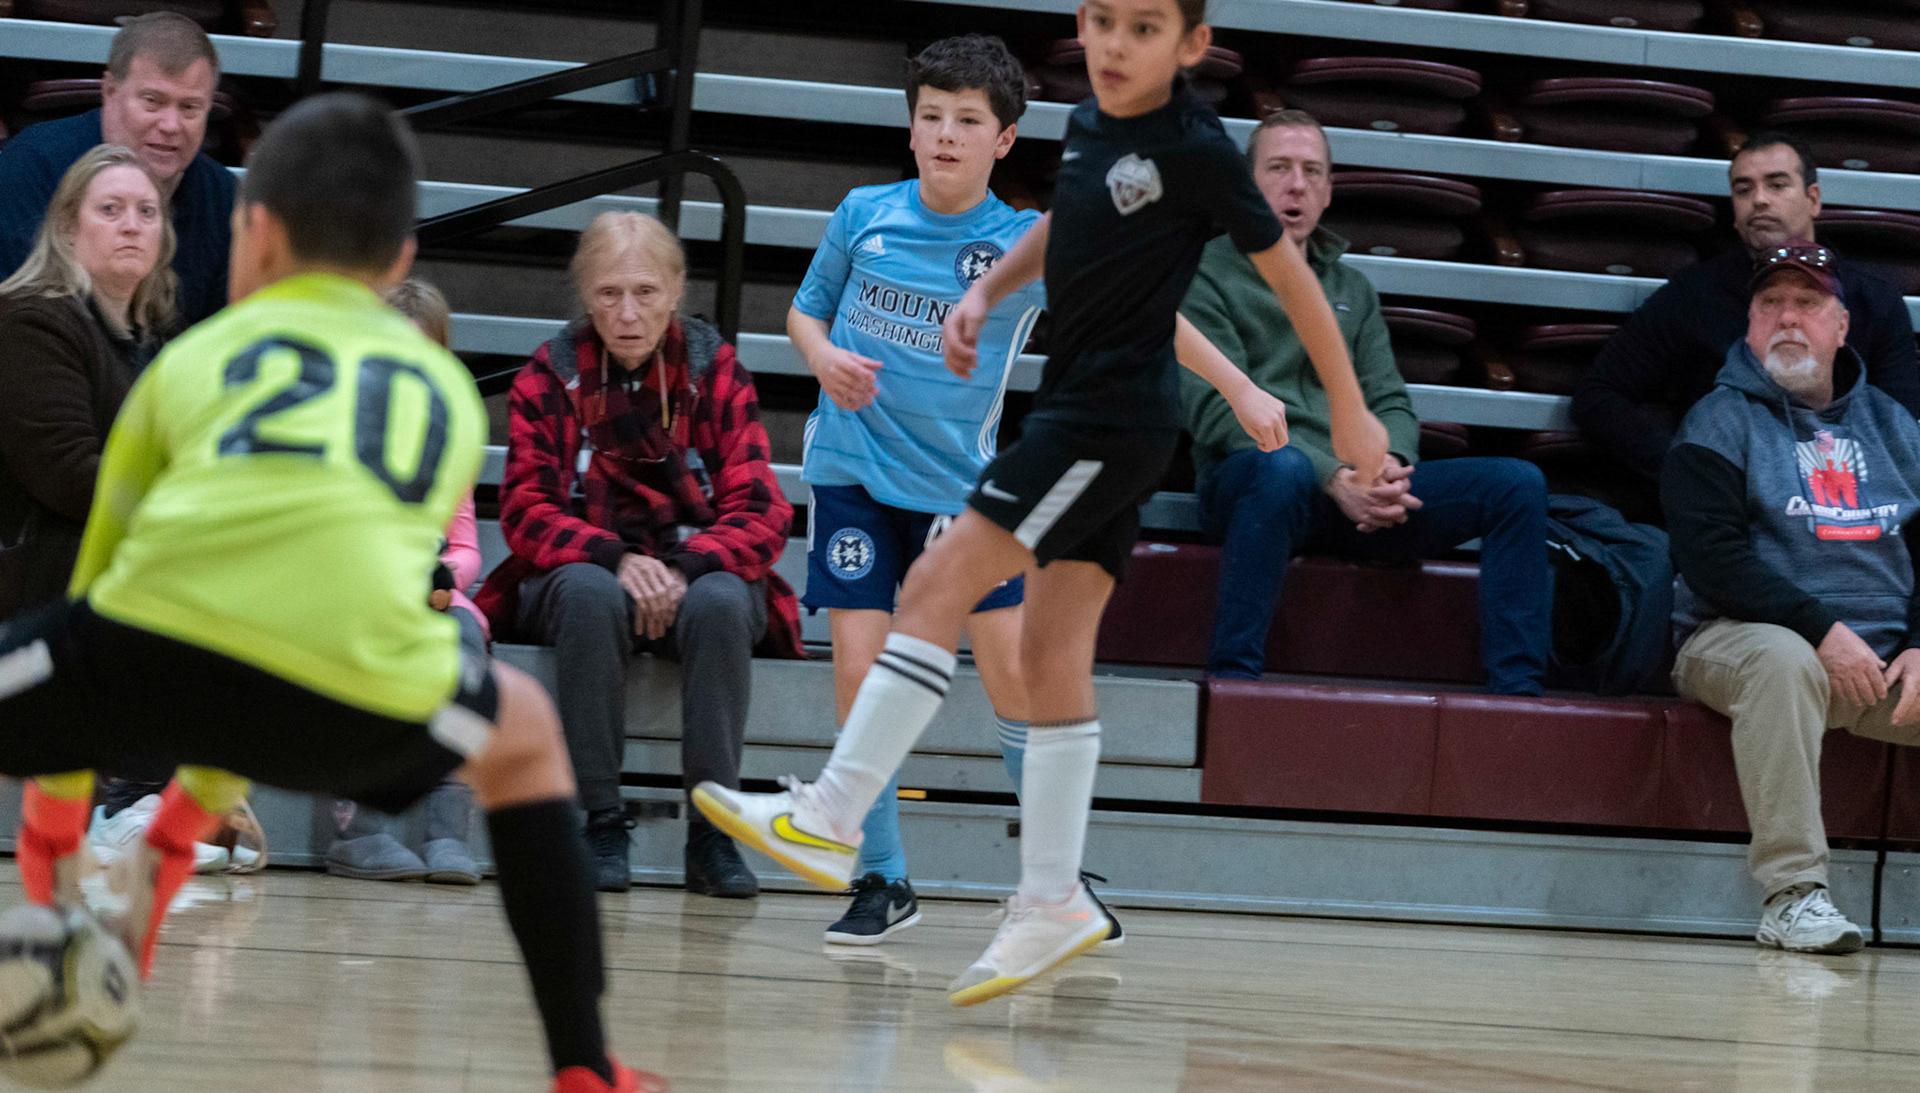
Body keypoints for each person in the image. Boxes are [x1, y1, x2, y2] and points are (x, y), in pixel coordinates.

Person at [691, 0, 1386, 1005]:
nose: (1114, 43)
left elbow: (1293, 282)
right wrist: (983, 293)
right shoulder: (1101, 125)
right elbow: (1068, 231)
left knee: (937, 589)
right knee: (1054, 656)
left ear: (1193, 46)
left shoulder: (1194, 149)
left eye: (1142, 27)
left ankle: (836, 814)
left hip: (1103, 422)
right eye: (1101, 20)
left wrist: (1337, 408)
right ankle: (1053, 896)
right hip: (1082, 420)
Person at [0, 93, 660, 1093]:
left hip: (145, 665)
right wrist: (180, 828)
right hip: (353, 701)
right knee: (524, 726)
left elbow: (107, 570)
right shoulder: (443, 394)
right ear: (402, 260)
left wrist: (54, 806)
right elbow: (310, 606)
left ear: (255, 232)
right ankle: (584, 1065)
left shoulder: (193, 358)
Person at [792, 34, 1125, 949]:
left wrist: (1243, 389)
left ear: (1004, 139)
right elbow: (806, 310)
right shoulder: (863, 213)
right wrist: (821, 356)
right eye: (930, 116)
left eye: (967, 120)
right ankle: (881, 875)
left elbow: (1139, 314)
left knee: (1012, 675)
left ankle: (1057, 884)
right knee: (858, 672)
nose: (945, 133)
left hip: (959, 494)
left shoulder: (1020, 243)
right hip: (852, 472)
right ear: (910, 127)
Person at [475, 212, 801, 898]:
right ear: (586, 296)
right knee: (589, 593)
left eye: (646, 292)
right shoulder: (548, 375)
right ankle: (597, 819)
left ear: (676, 292)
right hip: (587, 571)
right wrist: (615, 556)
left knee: (721, 601)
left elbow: (762, 510)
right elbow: (526, 510)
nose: (628, 313)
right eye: (610, 293)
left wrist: (685, 566)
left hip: (694, 566)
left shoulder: (716, 370)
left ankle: (713, 832)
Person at [1180, 110, 1551, 692]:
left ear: (1328, 191)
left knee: (1516, 484)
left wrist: (1385, 470)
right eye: (1278, 168)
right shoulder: (1201, 274)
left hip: (1355, 494)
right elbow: (1220, 411)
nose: (1296, 185)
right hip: (1255, 486)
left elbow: (1389, 400)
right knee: (1283, 468)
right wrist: (1334, 477)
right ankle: (1233, 682)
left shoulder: (1351, 288)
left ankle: (1519, 694)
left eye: (1312, 171)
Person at [1665, 241, 1920, 956]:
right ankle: (1793, 895)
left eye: (1807, 303)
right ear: (1749, 326)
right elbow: (1712, 562)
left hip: (1880, 663)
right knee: (1784, 659)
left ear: (1841, 327)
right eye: (1770, 304)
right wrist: (1822, 630)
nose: (1786, 318)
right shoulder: (1717, 419)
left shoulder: (1897, 427)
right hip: (1738, 640)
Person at [0, 143, 244, 874]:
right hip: (37, 557)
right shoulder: (31, 321)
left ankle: (167, 797)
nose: (132, 224)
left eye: (146, 211)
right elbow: (68, 474)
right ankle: (126, 802)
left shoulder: (164, 343)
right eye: (110, 210)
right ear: (68, 229)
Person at [1573, 133, 1920, 501]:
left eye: (1777, 184)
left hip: (1844, 503)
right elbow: (1597, 396)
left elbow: (1900, 424)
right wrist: (1693, 471)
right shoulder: (1695, 294)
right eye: (1743, 189)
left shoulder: (1874, 299)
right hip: (1729, 508)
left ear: (1813, 199)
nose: (1759, 200)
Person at [322, 278, 483, 886]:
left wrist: (437, 579)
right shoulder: (337, 430)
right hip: (355, 593)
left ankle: (448, 831)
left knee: (466, 645)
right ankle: (357, 831)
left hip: (435, 595)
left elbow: (466, 547)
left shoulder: (451, 439)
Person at [0, 12, 234, 326]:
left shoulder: (224, 196)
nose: (170, 125)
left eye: (190, 108)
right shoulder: (32, 167)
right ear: (109, 91)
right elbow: (15, 322)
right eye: (152, 101)